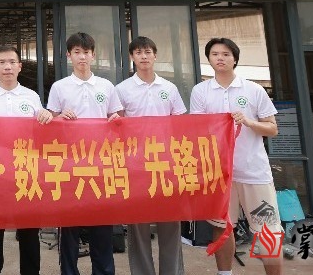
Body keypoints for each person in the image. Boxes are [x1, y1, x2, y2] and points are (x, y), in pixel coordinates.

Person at [190, 38, 281, 275]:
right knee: (221, 228)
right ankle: (224, 273)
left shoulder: (253, 89)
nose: (220, 58)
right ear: (209, 59)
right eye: (215, 54)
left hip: (254, 171)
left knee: (268, 230)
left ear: (235, 59)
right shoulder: (200, 91)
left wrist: (249, 122)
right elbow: (197, 130)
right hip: (219, 174)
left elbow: (272, 128)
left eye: (226, 54)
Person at [0, 46, 53, 275]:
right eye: (2, 63)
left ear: (20, 66)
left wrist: (46, 115)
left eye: (12, 62)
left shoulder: (31, 96)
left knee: (28, 233)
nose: (7, 67)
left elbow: (41, 131)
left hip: (26, 173)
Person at [46, 32, 123, 275]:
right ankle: (69, 271)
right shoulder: (59, 87)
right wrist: (59, 118)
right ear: (68, 55)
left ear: (93, 55)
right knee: (69, 225)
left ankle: (103, 271)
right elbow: (49, 122)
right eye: (77, 52)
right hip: (69, 163)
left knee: (102, 225)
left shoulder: (106, 86)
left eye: (86, 52)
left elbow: (117, 119)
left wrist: (116, 120)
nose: (82, 57)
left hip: (100, 163)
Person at [114, 36, 186, 275]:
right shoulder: (122, 89)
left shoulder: (169, 88)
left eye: (147, 52)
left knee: (170, 221)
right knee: (138, 224)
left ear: (155, 55)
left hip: (166, 162)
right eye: (138, 52)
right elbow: (117, 125)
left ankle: (172, 271)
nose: (143, 56)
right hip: (136, 164)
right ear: (132, 57)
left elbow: (180, 124)